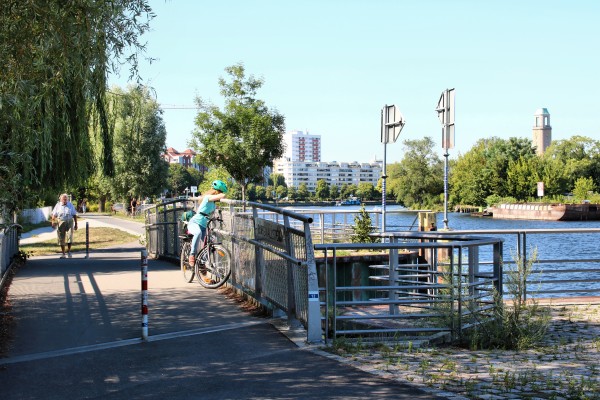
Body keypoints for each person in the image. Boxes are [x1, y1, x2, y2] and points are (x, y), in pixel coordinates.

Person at [188, 180, 228, 265]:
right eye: (220, 192)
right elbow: (223, 196)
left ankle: (202, 264)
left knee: (210, 243)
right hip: (195, 223)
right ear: (216, 192)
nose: (220, 194)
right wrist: (222, 194)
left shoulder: (213, 203)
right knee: (198, 233)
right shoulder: (208, 197)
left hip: (204, 226)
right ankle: (192, 255)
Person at [51, 193, 78, 258]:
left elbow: (74, 214)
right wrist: (53, 222)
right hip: (61, 221)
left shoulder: (70, 204)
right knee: (61, 237)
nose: (65, 200)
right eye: (63, 199)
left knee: (70, 236)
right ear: (60, 199)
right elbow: (54, 214)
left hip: (69, 221)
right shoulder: (58, 205)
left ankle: (69, 251)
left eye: (66, 199)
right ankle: (63, 253)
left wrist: (76, 224)